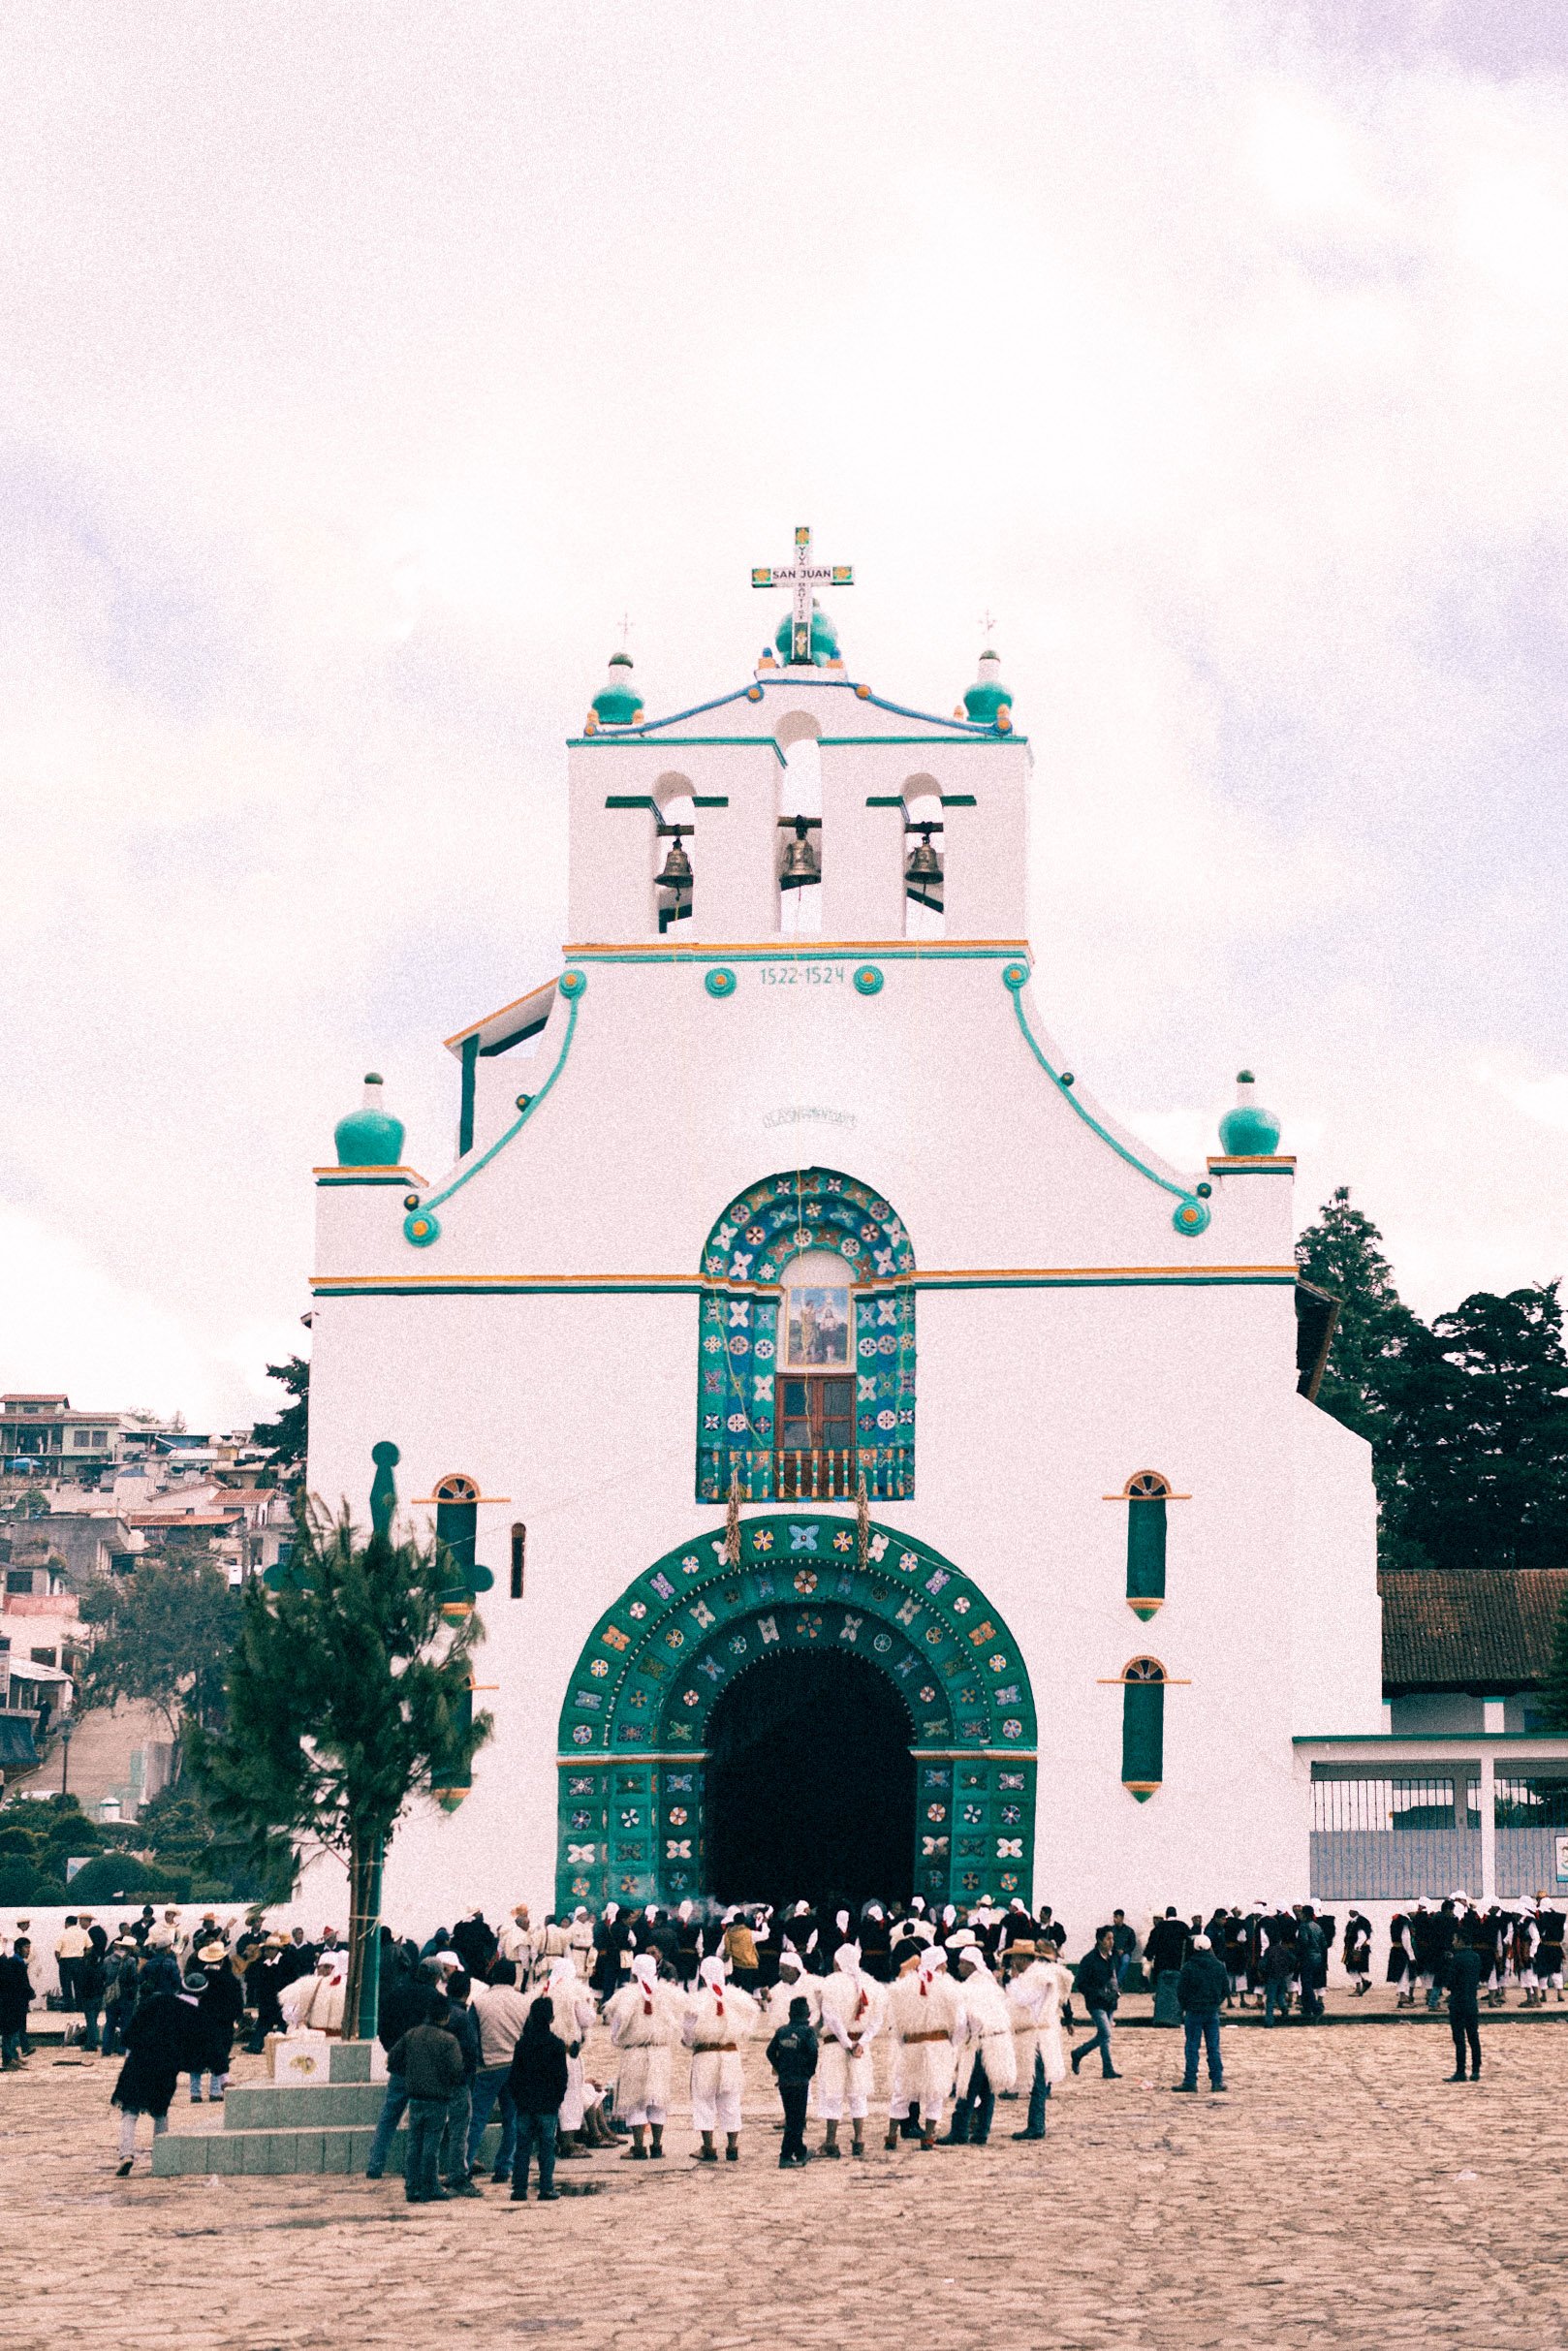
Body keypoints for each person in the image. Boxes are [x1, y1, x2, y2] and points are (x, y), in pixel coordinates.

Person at [112, 1966, 205, 2176]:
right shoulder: (195, 2015)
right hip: (166, 2068)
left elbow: (129, 2034)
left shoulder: (154, 2002)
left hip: (139, 2062)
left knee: (129, 2111)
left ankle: (126, 2154)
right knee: (160, 2113)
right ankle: (161, 2158)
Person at [884, 1944, 966, 2152]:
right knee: (934, 2092)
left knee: (902, 2091)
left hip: (912, 2045)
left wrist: (904, 2042)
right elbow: (960, 2021)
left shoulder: (903, 1986)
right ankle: (928, 2137)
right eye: (944, 1963)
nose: (947, 1967)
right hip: (938, 2045)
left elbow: (895, 2019)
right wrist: (952, 2044)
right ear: (939, 1964)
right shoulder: (949, 1987)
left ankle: (892, 2135)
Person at [365, 1960, 442, 2179]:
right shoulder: (435, 1999)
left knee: (390, 2115)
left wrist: (394, 2050)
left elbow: (383, 2028)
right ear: (436, 1977)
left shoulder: (396, 1993)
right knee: (422, 2119)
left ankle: (375, 2164)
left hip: (400, 2063)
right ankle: (416, 2170)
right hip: (426, 2066)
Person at [605, 1952, 684, 2161]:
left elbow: (616, 2029)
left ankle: (639, 2147)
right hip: (660, 2052)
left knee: (635, 2101)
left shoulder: (625, 1997)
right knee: (658, 2099)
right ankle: (657, 2145)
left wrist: (620, 2041)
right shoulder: (669, 1994)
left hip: (635, 2052)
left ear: (633, 1973)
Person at [386, 1998, 465, 2205]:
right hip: (438, 2099)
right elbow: (457, 2071)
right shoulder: (449, 2041)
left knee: (414, 2143)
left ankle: (412, 2186)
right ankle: (430, 2185)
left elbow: (393, 2059)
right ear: (446, 2017)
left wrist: (410, 2074)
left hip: (415, 2097)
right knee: (431, 2145)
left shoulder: (412, 2034)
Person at [684, 1955, 759, 2163]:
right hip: (731, 2054)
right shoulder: (739, 1998)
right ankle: (732, 2147)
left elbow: (688, 2033)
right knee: (730, 2101)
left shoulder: (696, 2000)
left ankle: (708, 2147)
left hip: (705, 2054)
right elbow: (750, 2024)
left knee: (703, 2100)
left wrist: (688, 2042)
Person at [815, 1942, 883, 2159]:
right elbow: (877, 2019)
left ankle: (831, 2141)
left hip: (836, 2044)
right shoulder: (872, 1985)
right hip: (861, 2047)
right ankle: (859, 2139)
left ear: (837, 1962)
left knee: (832, 2093)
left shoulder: (830, 1984)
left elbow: (831, 2016)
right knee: (857, 2093)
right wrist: (861, 2042)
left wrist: (846, 2043)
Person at [467, 1959, 531, 2182]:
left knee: (477, 2117)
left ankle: (466, 2161)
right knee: (511, 2119)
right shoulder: (524, 2002)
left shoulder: (479, 2002)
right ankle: (504, 2166)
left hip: (488, 2066)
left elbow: (472, 2038)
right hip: (515, 2066)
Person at [947, 1942, 1016, 2147]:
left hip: (979, 2042)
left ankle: (958, 2132)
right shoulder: (991, 1984)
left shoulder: (967, 1989)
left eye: (961, 1963)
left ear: (970, 1965)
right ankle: (981, 2132)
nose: (958, 1967)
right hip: (998, 2042)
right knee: (988, 2090)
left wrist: (955, 2044)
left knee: (967, 2088)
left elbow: (962, 2021)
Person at [1007, 1941, 1074, 2140]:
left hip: (1037, 2036)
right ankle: (1036, 2123)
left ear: (1021, 1958)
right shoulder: (1037, 1975)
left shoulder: (1036, 1977)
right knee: (1038, 2081)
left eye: (1013, 1957)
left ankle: (1036, 2125)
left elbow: (1022, 1999)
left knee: (1037, 2081)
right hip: (1040, 2033)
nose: (1011, 1962)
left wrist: (1014, 1980)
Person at [506, 1994, 569, 2203]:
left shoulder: (522, 2044)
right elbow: (561, 2077)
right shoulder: (557, 2045)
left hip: (525, 2104)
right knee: (546, 2149)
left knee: (522, 2148)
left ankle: (519, 2188)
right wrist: (557, 2100)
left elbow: (514, 2076)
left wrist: (518, 2098)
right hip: (548, 2106)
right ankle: (546, 2187)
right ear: (551, 2019)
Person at [437, 1970, 483, 2196]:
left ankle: (426, 2174)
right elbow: (471, 2052)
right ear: (467, 1992)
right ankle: (457, 2175)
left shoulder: (440, 2013)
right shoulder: (463, 2018)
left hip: (436, 2080)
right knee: (458, 2130)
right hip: (458, 2081)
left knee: (434, 2130)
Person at [548, 1956, 598, 2160]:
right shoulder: (574, 1993)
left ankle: (551, 2141)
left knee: (550, 2099)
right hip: (567, 2052)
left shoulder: (543, 1991)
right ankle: (568, 2143)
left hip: (545, 2052)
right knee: (569, 2098)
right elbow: (587, 2019)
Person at [1172, 1932, 1228, 2093]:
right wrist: (1216, 2002)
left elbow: (1181, 1991)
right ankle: (1217, 2081)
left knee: (1192, 2047)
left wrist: (1186, 2006)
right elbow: (1225, 1989)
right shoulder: (1218, 1966)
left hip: (1194, 2011)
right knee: (1213, 2048)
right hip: (1211, 2011)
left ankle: (1190, 2080)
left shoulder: (1189, 1967)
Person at [767, 1994, 819, 2168]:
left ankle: (800, 2150)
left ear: (789, 2014)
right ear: (809, 2015)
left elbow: (769, 2051)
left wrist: (779, 2066)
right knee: (796, 2120)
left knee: (792, 2116)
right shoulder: (808, 2032)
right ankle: (786, 2155)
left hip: (785, 2081)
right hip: (800, 2081)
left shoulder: (782, 2031)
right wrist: (808, 2073)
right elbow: (813, 2054)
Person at [189, 1941, 244, 2101]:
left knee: (196, 2057)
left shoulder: (196, 1978)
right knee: (219, 2055)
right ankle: (215, 2091)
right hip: (222, 2025)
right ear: (221, 1960)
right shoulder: (229, 1979)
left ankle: (195, 2093)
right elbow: (237, 2003)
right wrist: (234, 2018)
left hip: (198, 2023)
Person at [1070, 1928, 1122, 2081]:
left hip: (1110, 2001)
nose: (1111, 1942)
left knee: (1105, 2037)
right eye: (1108, 1939)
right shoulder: (1089, 1960)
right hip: (1096, 2003)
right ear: (1099, 1940)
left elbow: (1113, 1977)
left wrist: (1115, 1991)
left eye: (1112, 1939)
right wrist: (1096, 1993)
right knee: (1105, 2033)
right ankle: (1078, 2053)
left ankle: (1108, 2068)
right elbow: (1080, 1983)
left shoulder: (1111, 1958)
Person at [1446, 1928, 1485, 2083]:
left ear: (1461, 1941)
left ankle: (1460, 2071)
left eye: (1455, 1939)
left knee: (1459, 2038)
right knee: (1473, 2037)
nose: (1453, 1942)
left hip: (1457, 2001)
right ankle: (1475, 2070)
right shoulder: (1476, 1957)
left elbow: (1450, 1982)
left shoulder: (1456, 1959)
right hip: (1471, 2001)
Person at [1145, 1908, 1188, 2026]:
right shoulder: (1183, 1926)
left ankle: (1161, 2016)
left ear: (1166, 1915)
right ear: (1176, 1914)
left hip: (1162, 1966)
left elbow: (1150, 1948)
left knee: (1162, 1992)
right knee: (1177, 1992)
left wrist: (1149, 1956)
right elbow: (1189, 1946)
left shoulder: (1159, 1928)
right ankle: (1176, 2016)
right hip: (1178, 1965)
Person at [0, 1936, 33, 2069]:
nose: (28, 1950)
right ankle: (9, 2058)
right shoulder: (15, 1963)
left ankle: (13, 2056)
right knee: (10, 2031)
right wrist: (29, 1992)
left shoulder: (14, 1962)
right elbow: (19, 1983)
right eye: (26, 1947)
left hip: (15, 2001)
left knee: (14, 2030)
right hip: (12, 2002)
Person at [1343, 1912, 1373, 1996]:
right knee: (1351, 1968)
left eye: (1351, 1910)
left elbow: (1362, 1937)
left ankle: (1360, 1986)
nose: (1349, 1912)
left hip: (1359, 1949)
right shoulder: (1351, 1922)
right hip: (1352, 1948)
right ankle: (1364, 1982)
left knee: (1356, 1967)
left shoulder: (1361, 1922)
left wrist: (1356, 1948)